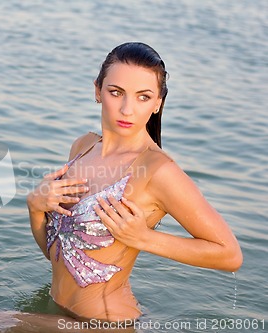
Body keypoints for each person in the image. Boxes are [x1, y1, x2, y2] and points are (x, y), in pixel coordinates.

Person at [26, 41, 243, 326]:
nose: (127, 109)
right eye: (116, 92)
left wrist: (145, 239)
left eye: (143, 97)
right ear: (97, 91)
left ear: (157, 104)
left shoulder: (158, 170)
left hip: (104, 324)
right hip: (57, 311)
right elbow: (60, 255)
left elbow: (230, 254)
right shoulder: (83, 146)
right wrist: (35, 207)